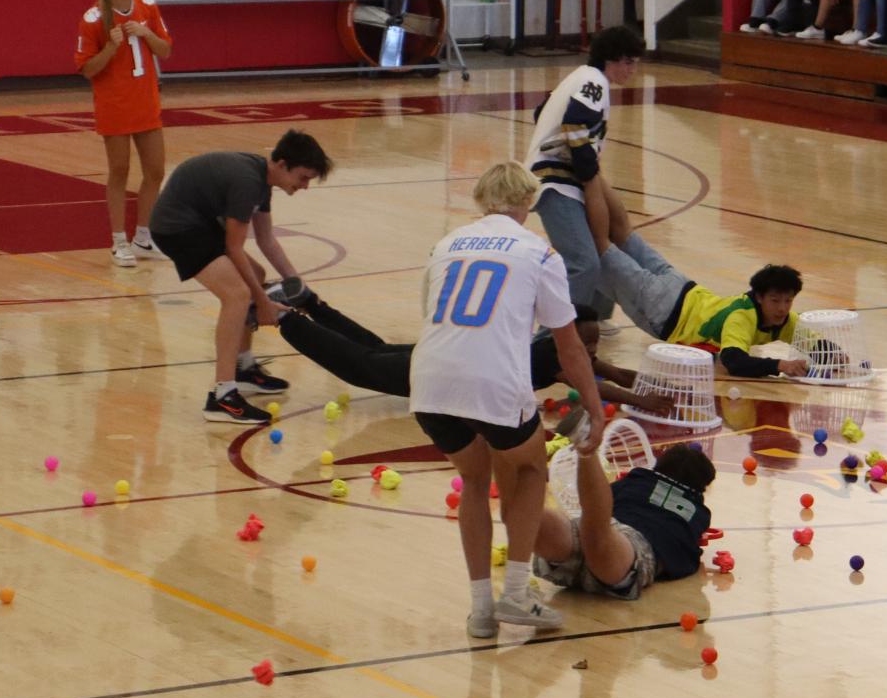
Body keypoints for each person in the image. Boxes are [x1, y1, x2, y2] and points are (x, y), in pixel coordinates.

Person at [410, 163, 601, 638]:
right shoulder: (539, 254)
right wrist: (594, 406)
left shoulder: (443, 246)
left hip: (430, 380)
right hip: (492, 380)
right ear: (528, 202)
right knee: (531, 467)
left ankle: (480, 610)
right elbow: (569, 345)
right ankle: (516, 593)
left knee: (475, 480)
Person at [148, 130, 333, 424]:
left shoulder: (262, 179)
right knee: (237, 294)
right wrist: (261, 302)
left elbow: (266, 239)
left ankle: (243, 368)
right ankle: (222, 396)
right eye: (303, 177)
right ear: (283, 164)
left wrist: (297, 285)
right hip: (176, 228)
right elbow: (234, 248)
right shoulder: (248, 182)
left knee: (255, 275)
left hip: (199, 223)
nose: (305, 186)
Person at [276, 299, 653, 412]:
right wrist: (644, 402)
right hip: (444, 372)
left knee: (372, 350)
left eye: (593, 345)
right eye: (585, 343)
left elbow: (615, 373)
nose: (590, 351)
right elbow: (599, 389)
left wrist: (654, 382)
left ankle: (311, 304)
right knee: (361, 367)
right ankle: (284, 318)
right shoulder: (556, 358)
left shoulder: (567, 349)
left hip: (449, 355)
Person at [527, 27, 645, 319]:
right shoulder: (595, 81)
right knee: (583, 262)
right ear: (613, 59)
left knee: (598, 251)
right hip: (556, 182)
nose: (632, 70)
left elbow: (540, 113)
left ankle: (595, 319)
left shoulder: (580, 76)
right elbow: (575, 124)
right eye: (629, 62)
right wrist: (589, 172)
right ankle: (561, 333)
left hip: (565, 179)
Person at [75, 0, 172, 268]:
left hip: (146, 101)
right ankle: (118, 241)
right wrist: (111, 47)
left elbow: (166, 50)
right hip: (115, 105)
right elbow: (88, 69)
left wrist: (147, 34)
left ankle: (143, 237)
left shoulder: (147, 6)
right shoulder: (93, 19)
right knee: (119, 171)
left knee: (156, 170)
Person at [534, 441, 716, 604]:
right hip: (630, 547)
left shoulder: (637, 479)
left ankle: (527, 497)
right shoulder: (699, 512)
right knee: (599, 536)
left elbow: (604, 498)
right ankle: (586, 453)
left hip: (609, 526)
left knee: (576, 530)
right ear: (700, 487)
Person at [598, 239, 807, 378]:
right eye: (775, 301)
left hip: (681, 286)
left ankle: (591, 180)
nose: (782, 308)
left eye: (788, 301)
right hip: (663, 308)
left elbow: (816, 342)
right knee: (601, 252)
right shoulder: (742, 318)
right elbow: (733, 361)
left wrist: (836, 357)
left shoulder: (787, 320)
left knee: (621, 232)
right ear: (760, 297)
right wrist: (780, 365)